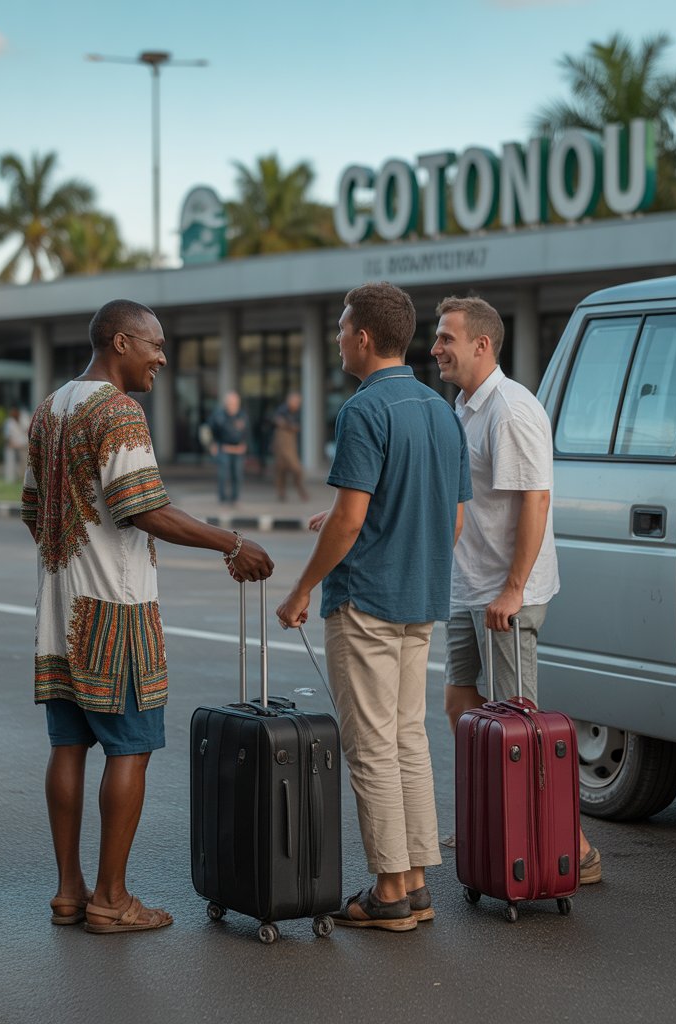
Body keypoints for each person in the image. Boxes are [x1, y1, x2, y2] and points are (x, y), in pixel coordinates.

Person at [22, 298, 274, 935]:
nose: (162, 357)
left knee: (68, 746)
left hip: (59, 610)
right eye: (154, 344)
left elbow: (32, 510)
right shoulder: (120, 412)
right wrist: (233, 543)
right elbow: (144, 509)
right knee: (130, 749)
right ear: (119, 342)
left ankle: (69, 892)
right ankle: (112, 898)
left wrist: (68, 558)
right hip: (116, 610)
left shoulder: (50, 408)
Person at [277, 282, 472, 932]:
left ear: (363, 336)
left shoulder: (363, 410)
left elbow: (354, 519)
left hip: (364, 602)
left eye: (340, 328)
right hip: (420, 600)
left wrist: (303, 587)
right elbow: (453, 518)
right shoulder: (440, 408)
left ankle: (389, 890)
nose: (337, 338)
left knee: (368, 746)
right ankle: (416, 882)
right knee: (408, 737)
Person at [430, 294, 601, 884]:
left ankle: (569, 844)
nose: (436, 348)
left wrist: (512, 589)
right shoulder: (464, 407)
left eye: (446, 337)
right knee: (461, 707)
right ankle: (493, 815)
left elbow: (536, 501)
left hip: (507, 593)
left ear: (482, 344)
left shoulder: (511, 410)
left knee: (520, 724)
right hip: (468, 587)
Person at [206, 391, 249, 504]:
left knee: (237, 475)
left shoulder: (242, 416)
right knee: (223, 475)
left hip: (238, 450)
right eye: (230, 403)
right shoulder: (218, 415)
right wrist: (212, 444)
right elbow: (208, 430)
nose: (232, 405)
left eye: (234, 403)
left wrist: (245, 444)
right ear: (226, 403)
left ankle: (235, 498)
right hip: (224, 448)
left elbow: (247, 432)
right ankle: (222, 498)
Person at [270, 391, 308, 501]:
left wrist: (288, 426)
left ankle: (299, 489)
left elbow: (296, 427)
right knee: (282, 470)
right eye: (296, 402)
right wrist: (289, 426)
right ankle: (282, 493)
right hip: (281, 445)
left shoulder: (297, 413)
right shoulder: (282, 411)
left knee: (295, 469)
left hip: (291, 445)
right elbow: (278, 423)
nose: (297, 405)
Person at [3, 407, 29, 484]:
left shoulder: (24, 418)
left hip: (24, 444)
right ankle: (11, 479)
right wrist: (12, 444)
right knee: (10, 460)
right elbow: (8, 436)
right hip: (13, 445)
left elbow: (28, 430)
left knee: (25, 462)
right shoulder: (9, 422)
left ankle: (24, 478)